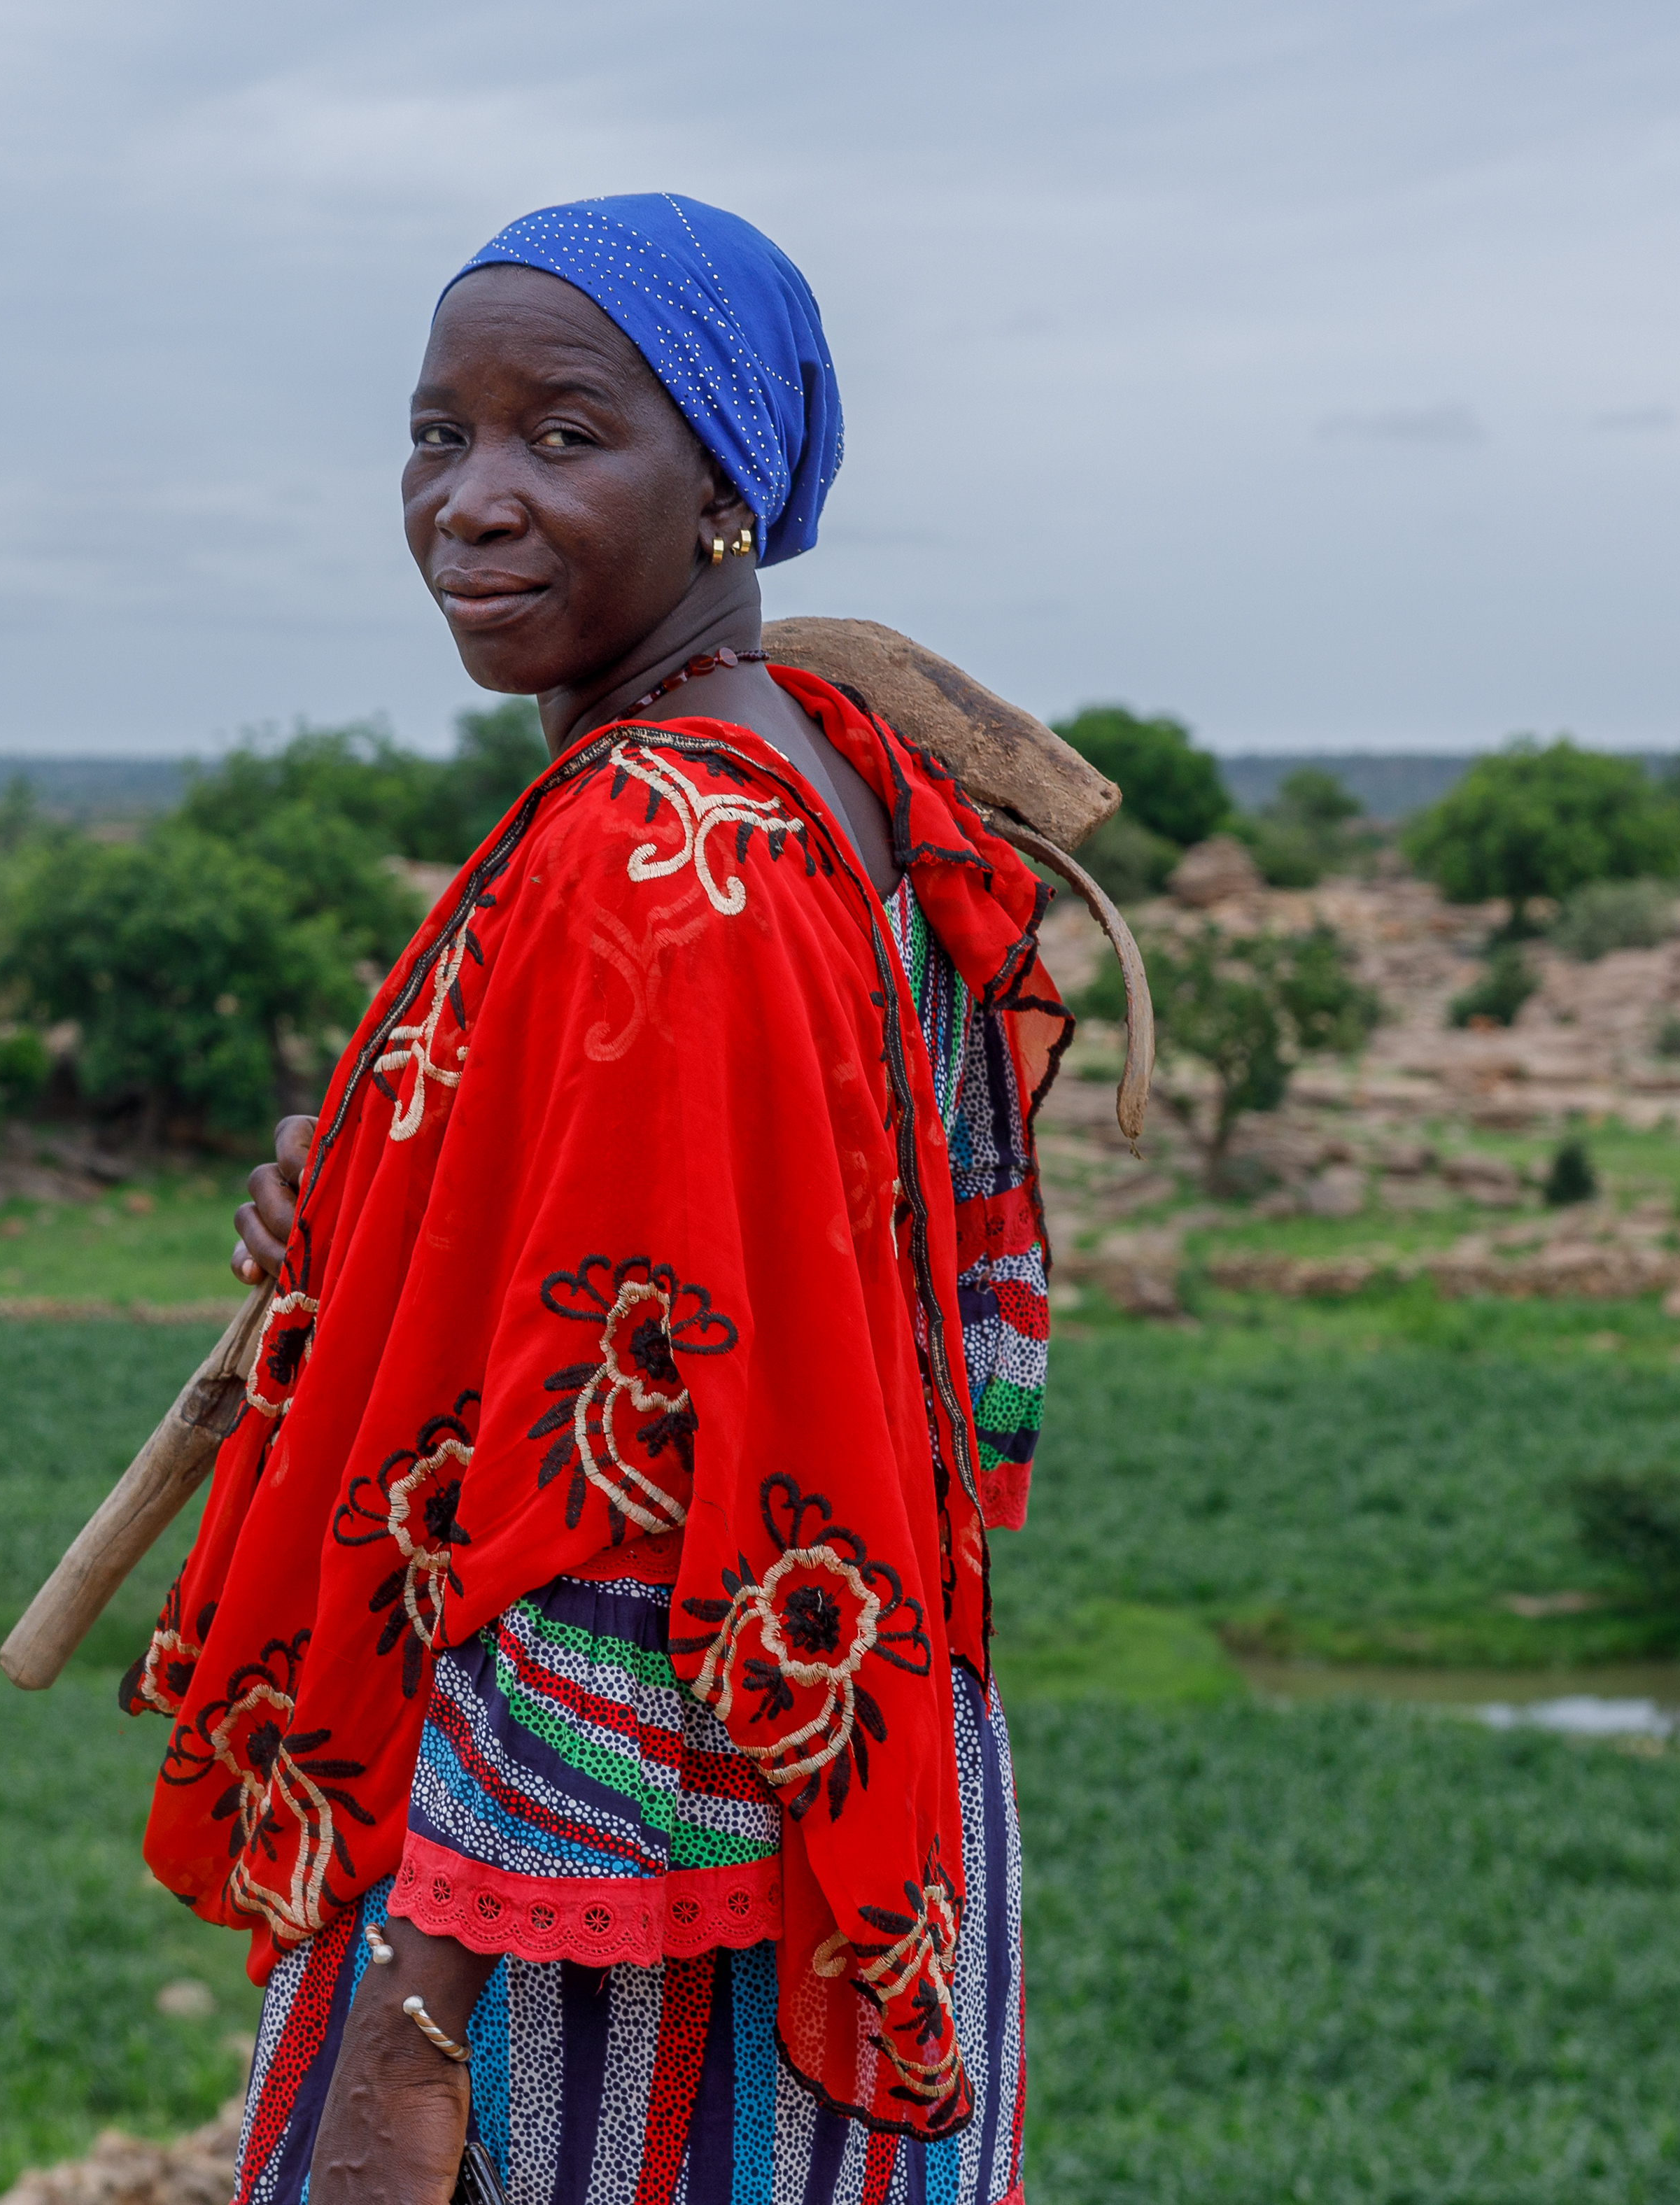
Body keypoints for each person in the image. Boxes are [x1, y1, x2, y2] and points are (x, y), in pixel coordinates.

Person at [128, 196, 1059, 2204]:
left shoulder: (654, 865)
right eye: (434, 436)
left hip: (600, 1942)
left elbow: (620, 1494)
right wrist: (396, 1192)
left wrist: (408, 2031)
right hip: (842, 1774)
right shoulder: (819, 772)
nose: (469, 501)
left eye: (562, 436)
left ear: (725, 488)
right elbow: (955, 1352)